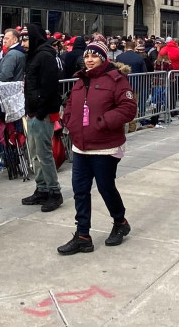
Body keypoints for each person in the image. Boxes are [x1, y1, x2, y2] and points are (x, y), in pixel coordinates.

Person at [57, 42, 137, 254]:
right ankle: (83, 235)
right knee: (80, 190)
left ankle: (120, 222)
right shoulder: (81, 80)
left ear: (103, 57)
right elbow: (71, 106)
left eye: (94, 55)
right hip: (81, 146)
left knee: (105, 187)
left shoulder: (116, 79)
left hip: (104, 146)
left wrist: (103, 121)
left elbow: (128, 108)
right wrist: (70, 121)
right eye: (87, 56)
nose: (89, 59)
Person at [21, 23, 64, 211]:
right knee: (35, 153)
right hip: (34, 112)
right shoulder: (34, 56)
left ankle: (54, 192)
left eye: (26, 38)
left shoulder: (45, 56)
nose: (23, 42)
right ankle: (42, 188)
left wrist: (39, 112)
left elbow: (49, 88)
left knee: (44, 153)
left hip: (42, 113)